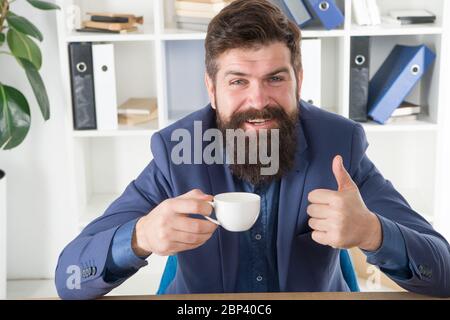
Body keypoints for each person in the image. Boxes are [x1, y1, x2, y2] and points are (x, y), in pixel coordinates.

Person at [55, 0, 450, 299]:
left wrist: (373, 232)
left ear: (298, 78)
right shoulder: (179, 150)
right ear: (212, 89)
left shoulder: (338, 146)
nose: (259, 100)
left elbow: (443, 269)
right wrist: (139, 236)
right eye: (238, 81)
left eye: (275, 78)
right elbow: (68, 277)